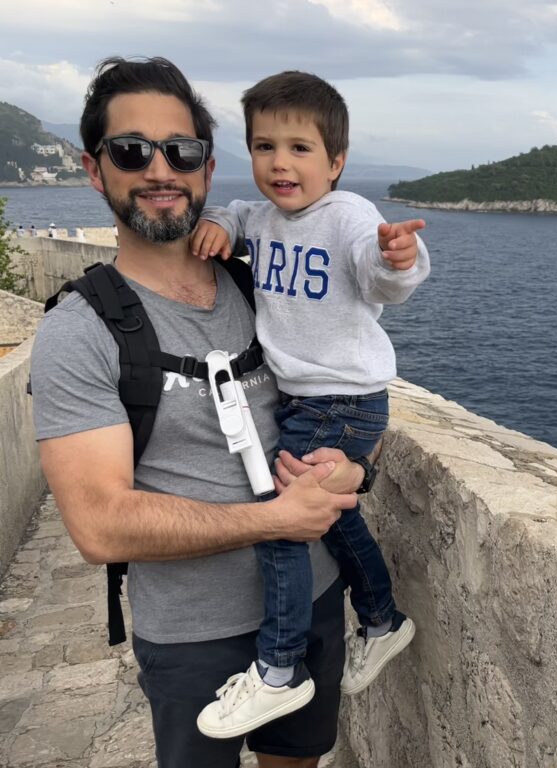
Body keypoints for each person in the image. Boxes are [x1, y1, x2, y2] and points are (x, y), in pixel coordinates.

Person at [30, 56, 367, 768]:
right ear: (95, 170)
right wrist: (275, 520)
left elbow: (340, 399)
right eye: (132, 151)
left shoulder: (260, 287)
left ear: (208, 170)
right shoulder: (79, 331)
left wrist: (352, 467)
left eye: (181, 151)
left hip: (312, 598)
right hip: (192, 633)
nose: (161, 170)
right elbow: (98, 525)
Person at [190, 70, 429, 737]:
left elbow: (382, 275)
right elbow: (237, 216)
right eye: (264, 147)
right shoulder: (262, 216)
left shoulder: (347, 215)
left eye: (300, 148)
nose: (280, 163)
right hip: (313, 400)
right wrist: (216, 223)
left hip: (342, 399)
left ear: (336, 162)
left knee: (281, 519)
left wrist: (398, 258)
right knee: (329, 518)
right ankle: (381, 620)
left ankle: (279, 668)